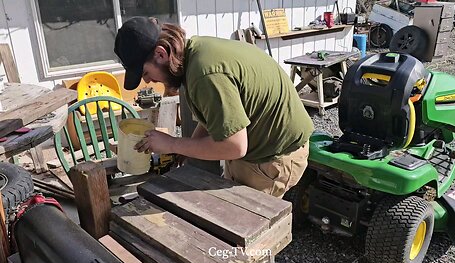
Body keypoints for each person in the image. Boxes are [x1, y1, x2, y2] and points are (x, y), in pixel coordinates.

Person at [114, 17, 314, 198]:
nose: (148, 81)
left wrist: (172, 144)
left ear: (160, 54)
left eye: (145, 73)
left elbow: (234, 146)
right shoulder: (195, 52)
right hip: (253, 146)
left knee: (241, 227)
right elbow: (214, 118)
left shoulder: (204, 74)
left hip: (274, 155)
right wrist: (186, 147)